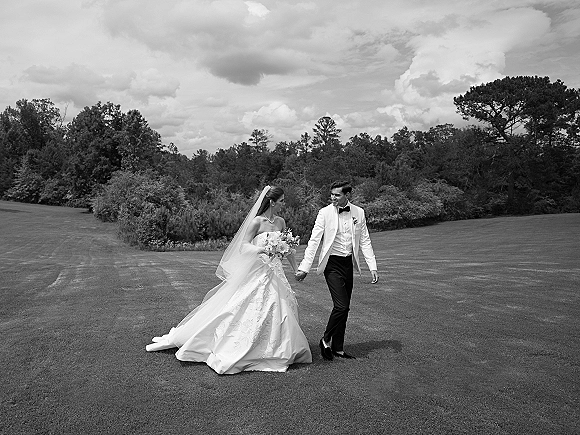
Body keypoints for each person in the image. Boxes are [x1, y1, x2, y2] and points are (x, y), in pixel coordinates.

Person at [146, 186, 312, 374]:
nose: (284, 204)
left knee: (280, 307)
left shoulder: (281, 222)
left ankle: (279, 349)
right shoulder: (256, 222)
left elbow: (287, 249)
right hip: (258, 271)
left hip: (275, 272)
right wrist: (261, 249)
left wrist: (295, 268)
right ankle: (242, 345)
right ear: (272, 202)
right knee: (248, 306)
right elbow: (243, 245)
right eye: (282, 200)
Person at [295, 180, 378, 360]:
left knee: (344, 309)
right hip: (331, 265)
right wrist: (304, 268)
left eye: (337, 195)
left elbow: (364, 240)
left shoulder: (359, 212)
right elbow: (314, 241)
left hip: (348, 263)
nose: (333, 198)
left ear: (347, 195)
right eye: (332, 194)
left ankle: (338, 348)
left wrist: (372, 266)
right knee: (342, 305)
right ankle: (325, 339)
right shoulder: (324, 213)